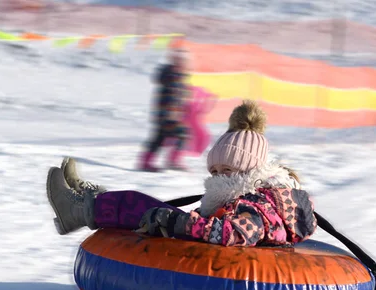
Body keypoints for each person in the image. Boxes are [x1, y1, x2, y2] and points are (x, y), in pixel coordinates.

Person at [47, 100, 318, 247]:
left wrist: (181, 224)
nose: (219, 177)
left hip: (224, 262)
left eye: (228, 170)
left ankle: (82, 209)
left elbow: (235, 233)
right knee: (145, 207)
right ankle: (88, 202)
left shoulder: (257, 205)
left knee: (140, 205)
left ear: (251, 170)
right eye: (215, 171)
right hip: (204, 238)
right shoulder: (250, 196)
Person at [139, 48, 191, 172]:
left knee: (159, 138)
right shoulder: (172, 76)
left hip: (167, 114)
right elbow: (171, 96)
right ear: (175, 61)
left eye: (185, 61)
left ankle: (146, 162)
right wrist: (172, 112)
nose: (184, 64)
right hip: (168, 115)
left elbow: (180, 96)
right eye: (181, 61)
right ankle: (172, 161)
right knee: (182, 134)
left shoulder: (177, 76)